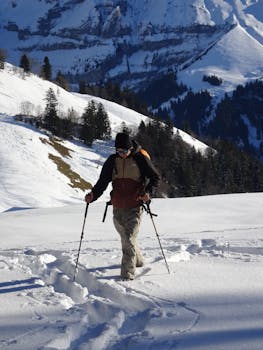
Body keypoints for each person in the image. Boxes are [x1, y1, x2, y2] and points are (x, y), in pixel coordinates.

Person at [85, 132, 160, 280]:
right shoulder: (113, 161)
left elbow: (155, 177)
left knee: (129, 239)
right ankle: (138, 260)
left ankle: (127, 276)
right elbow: (103, 182)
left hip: (135, 206)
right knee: (126, 240)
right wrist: (93, 195)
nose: (122, 154)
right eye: (119, 151)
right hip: (118, 207)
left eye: (124, 151)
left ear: (130, 148)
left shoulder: (140, 159)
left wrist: (148, 193)